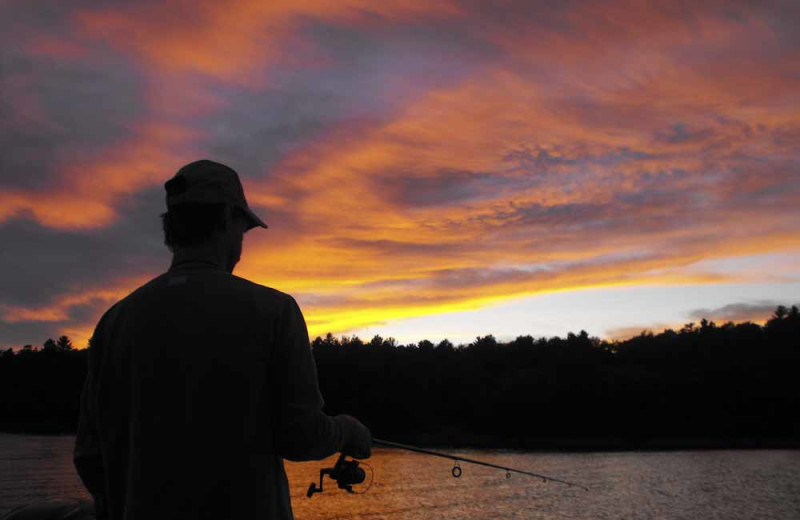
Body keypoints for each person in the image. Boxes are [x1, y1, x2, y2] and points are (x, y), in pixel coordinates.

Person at [74, 159, 371, 520]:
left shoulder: (113, 323)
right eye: (242, 232)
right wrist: (348, 430)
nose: (240, 245)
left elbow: (90, 458)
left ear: (172, 228)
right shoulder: (275, 311)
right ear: (229, 219)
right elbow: (302, 435)